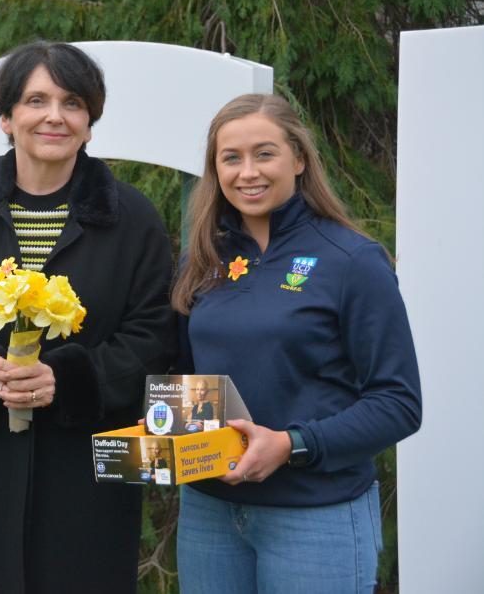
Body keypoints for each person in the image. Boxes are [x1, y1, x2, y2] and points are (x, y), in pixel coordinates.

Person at [0, 41, 176, 594]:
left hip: (89, 465)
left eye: (72, 102)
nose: (54, 116)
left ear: (89, 122)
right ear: (6, 118)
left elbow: (155, 332)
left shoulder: (131, 218)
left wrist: (71, 378)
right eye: (36, 100)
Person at [170, 94, 422, 593]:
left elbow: (399, 403)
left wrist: (291, 445)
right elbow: (184, 378)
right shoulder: (201, 261)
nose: (248, 172)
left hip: (315, 514)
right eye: (231, 158)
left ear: (299, 159)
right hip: (210, 514)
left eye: (265, 153)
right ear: (214, 169)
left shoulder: (351, 261)